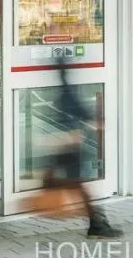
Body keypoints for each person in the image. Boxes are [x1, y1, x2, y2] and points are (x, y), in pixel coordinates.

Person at [47, 43, 123, 238]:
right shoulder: (67, 90)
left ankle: (96, 222)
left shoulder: (61, 89)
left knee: (70, 184)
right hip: (69, 145)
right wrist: (93, 119)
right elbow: (77, 108)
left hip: (64, 144)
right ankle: (97, 224)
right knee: (76, 185)